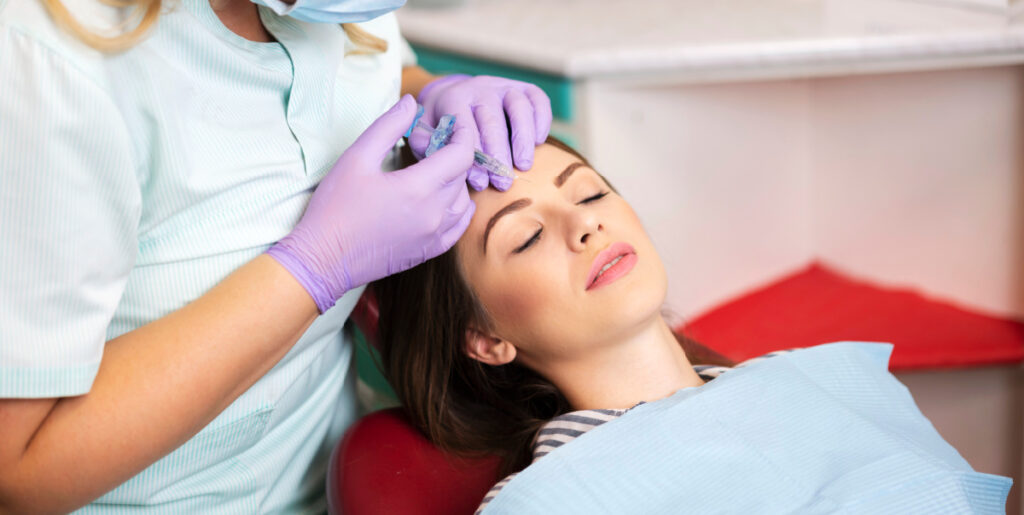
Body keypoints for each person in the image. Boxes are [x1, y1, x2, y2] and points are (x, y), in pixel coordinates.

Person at [0, 0, 553, 513]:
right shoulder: (44, 59)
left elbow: (368, 72)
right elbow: (18, 473)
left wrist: (431, 92)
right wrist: (313, 267)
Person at [372, 139, 1013, 514]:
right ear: (485, 340)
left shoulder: (831, 379)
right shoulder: (549, 502)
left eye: (590, 194)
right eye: (528, 235)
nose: (586, 225)